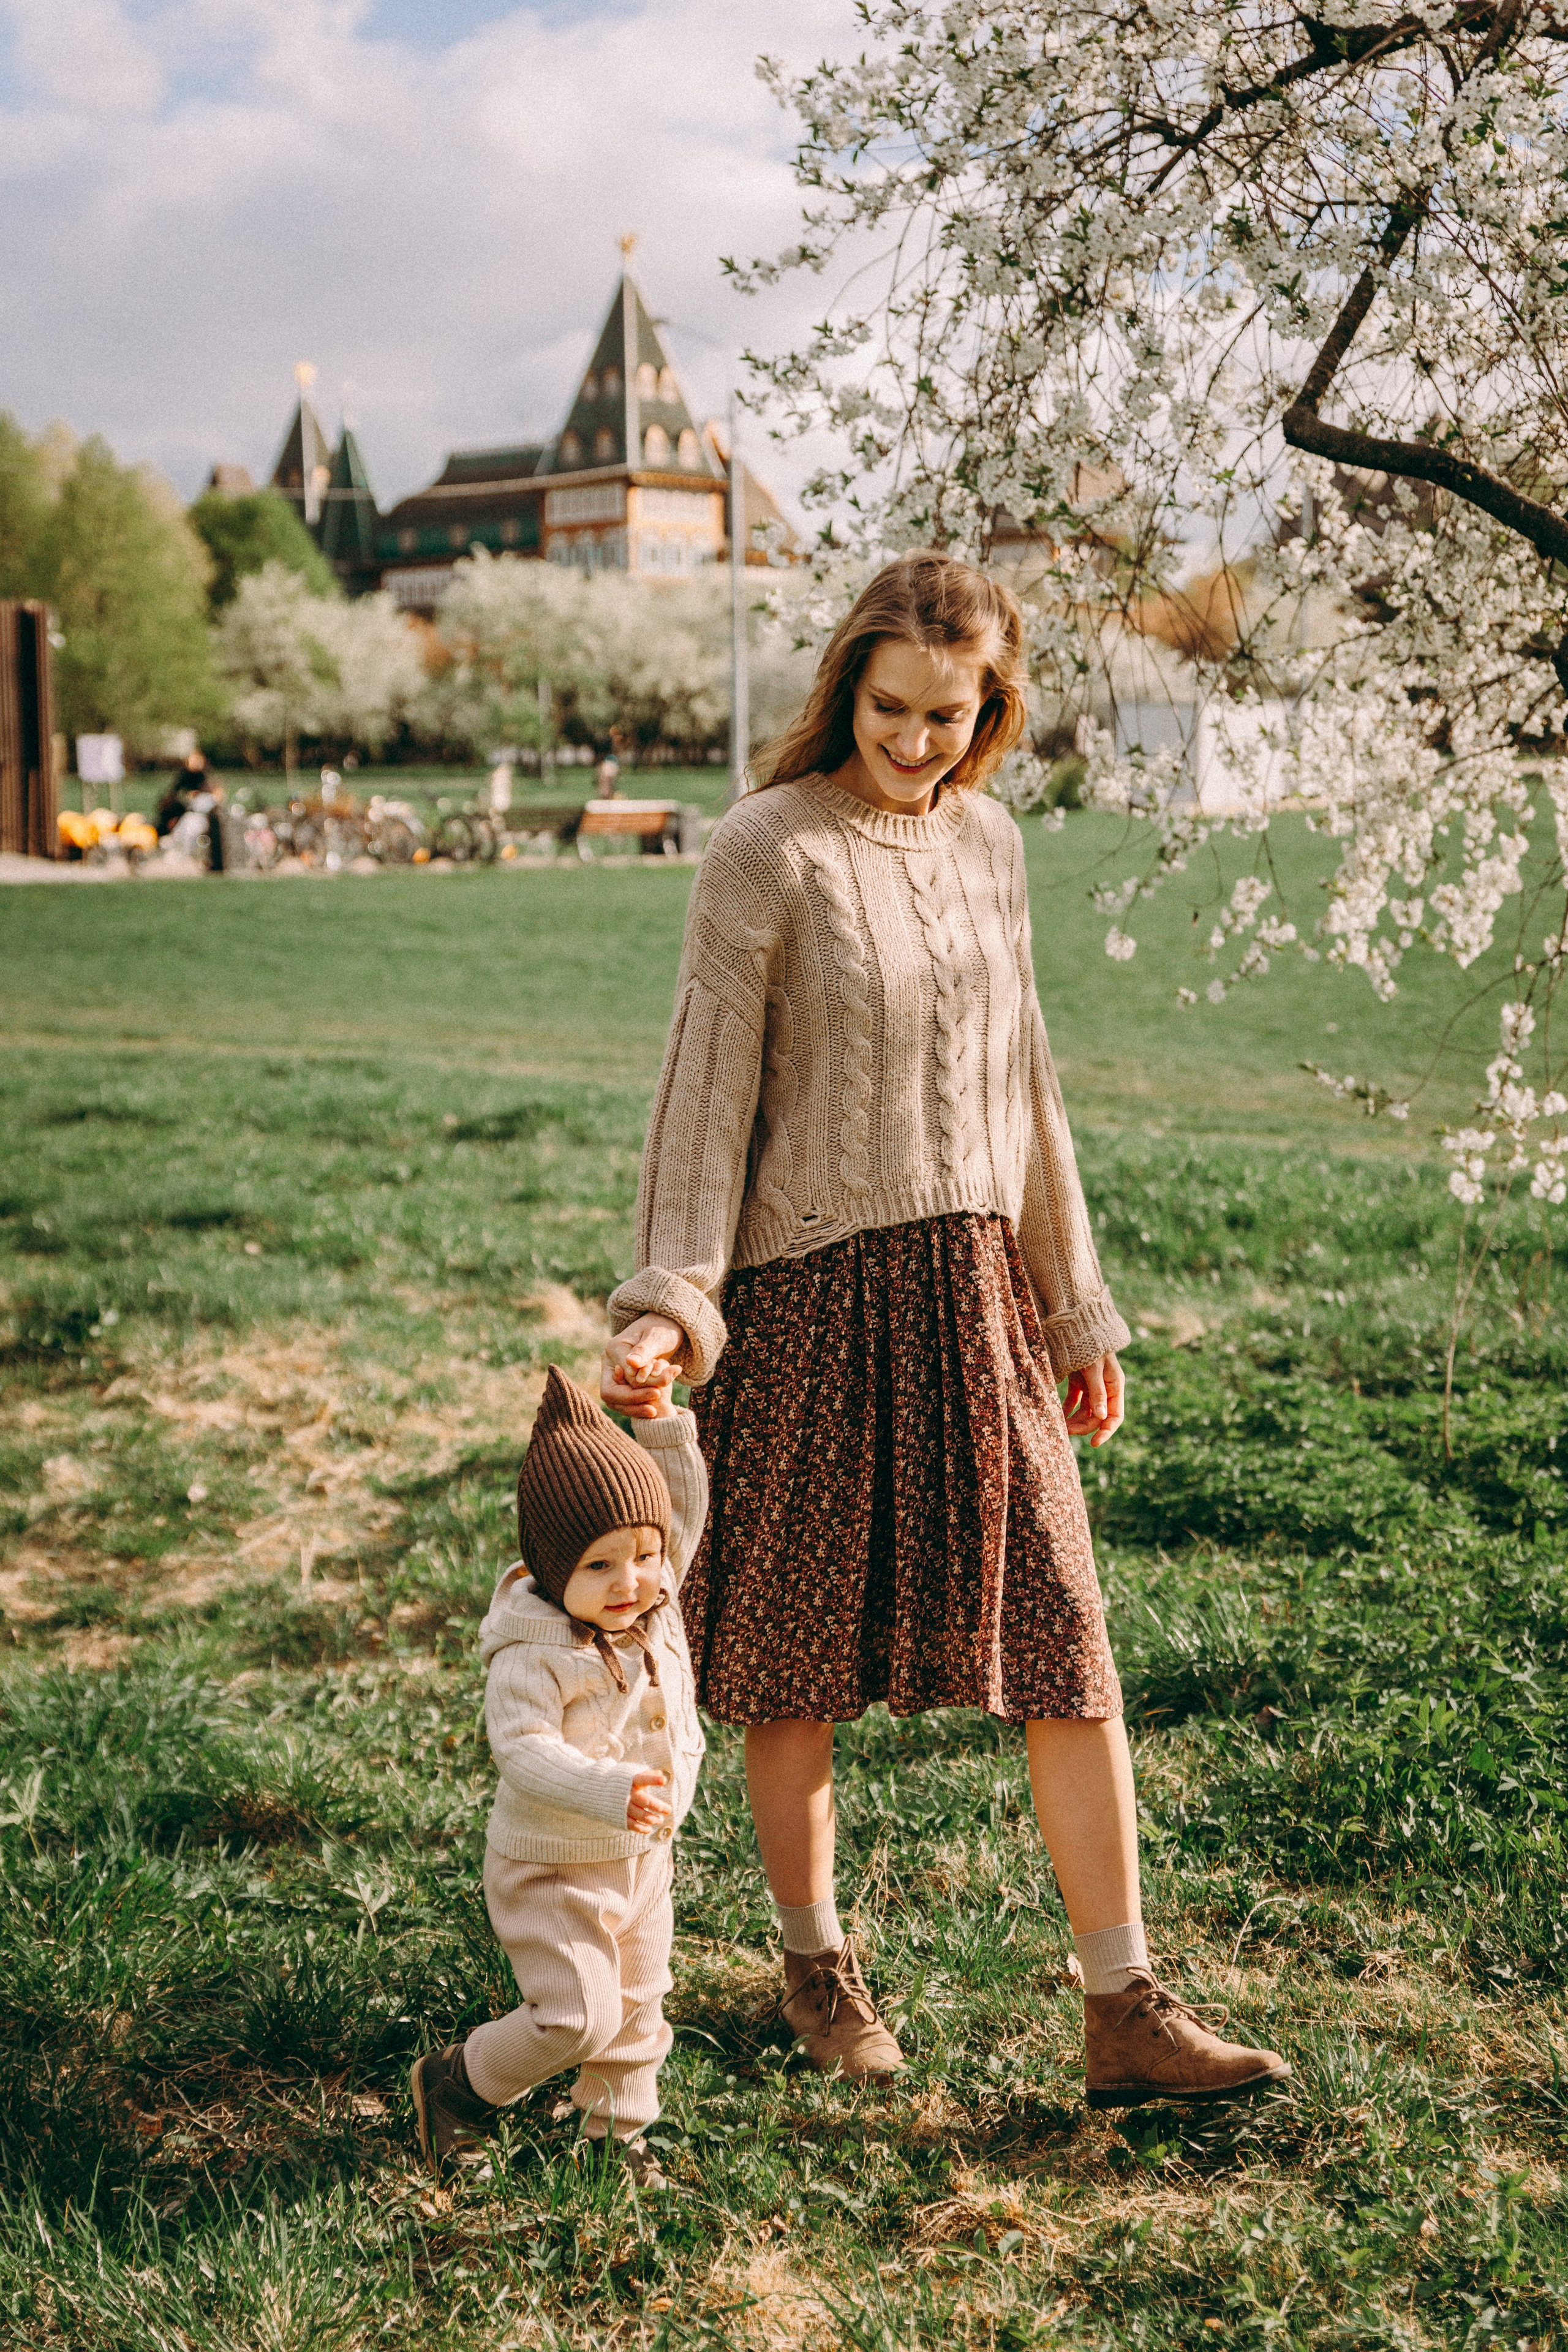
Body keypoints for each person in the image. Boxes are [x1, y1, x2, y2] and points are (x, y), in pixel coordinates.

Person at [602, 551, 1289, 2111]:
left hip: (977, 1293)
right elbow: (704, 1099)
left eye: (947, 713)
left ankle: (1123, 2003)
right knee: (789, 1667)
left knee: (1066, 1638)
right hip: (807, 1295)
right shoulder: (763, 851)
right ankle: (813, 1968)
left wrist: (1072, 1300)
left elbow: (1025, 1089)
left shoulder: (990, 843)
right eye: (889, 707)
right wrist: (668, 1305)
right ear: (847, 683)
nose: (914, 739)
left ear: (992, 706)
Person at [410, 1365, 706, 2179]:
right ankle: (458, 2085)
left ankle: (615, 2138)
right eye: (601, 1566)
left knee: (640, 2007)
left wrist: (665, 1426)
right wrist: (608, 1790)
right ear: (552, 1567)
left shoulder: (655, 1599)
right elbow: (524, 1750)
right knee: (576, 2015)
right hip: (552, 1867)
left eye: (643, 1557)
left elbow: (680, 1514)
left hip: (641, 1863)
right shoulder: (532, 1656)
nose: (633, 1582)